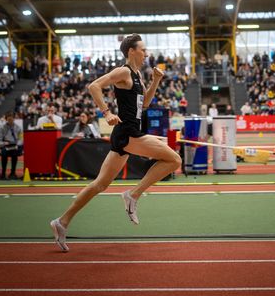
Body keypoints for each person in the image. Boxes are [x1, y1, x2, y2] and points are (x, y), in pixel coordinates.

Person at [50, 33, 181, 252]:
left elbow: (145, 104)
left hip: (126, 134)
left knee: (100, 184)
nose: (146, 52)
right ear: (131, 51)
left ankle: (61, 222)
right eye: (142, 48)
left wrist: (156, 80)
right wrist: (106, 112)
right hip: (128, 133)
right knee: (173, 159)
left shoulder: (137, 75)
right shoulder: (123, 71)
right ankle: (133, 194)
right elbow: (94, 86)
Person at [0, 111, 23, 179]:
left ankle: (13, 173)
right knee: (4, 154)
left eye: (11, 119)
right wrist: (4, 143)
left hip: (15, 145)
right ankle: (3, 173)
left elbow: (21, 138)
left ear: (14, 119)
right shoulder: (2, 128)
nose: (10, 121)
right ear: (6, 119)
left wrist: (18, 144)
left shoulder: (18, 127)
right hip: (6, 145)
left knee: (15, 154)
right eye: (8, 119)